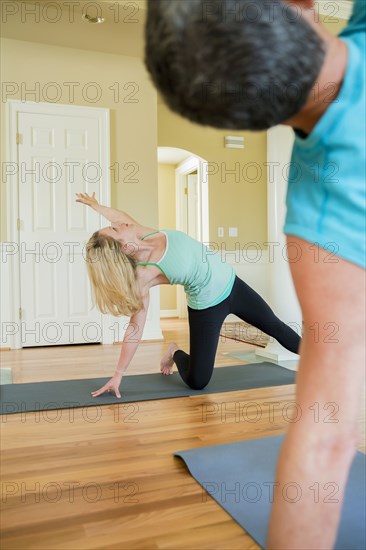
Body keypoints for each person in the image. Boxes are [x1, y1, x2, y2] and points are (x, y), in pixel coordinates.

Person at [144, 1, 366, 549]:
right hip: (206, 300)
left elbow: (325, 440)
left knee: (287, 337)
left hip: (229, 286)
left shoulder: (317, 227)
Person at [76, 192, 300, 400]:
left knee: (276, 327)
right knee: (198, 381)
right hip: (206, 307)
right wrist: (118, 374)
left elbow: (118, 216)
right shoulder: (143, 275)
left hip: (233, 285)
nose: (120, 224)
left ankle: (329, 363)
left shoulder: (139, 230)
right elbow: (135, 327)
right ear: (123, 248)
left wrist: (96, 206)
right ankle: (175, 351)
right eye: (114, 229)